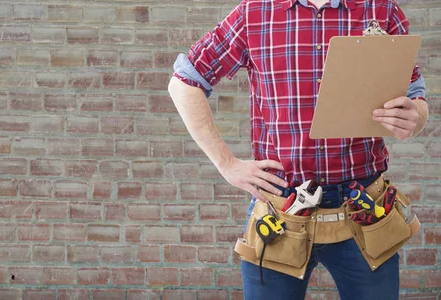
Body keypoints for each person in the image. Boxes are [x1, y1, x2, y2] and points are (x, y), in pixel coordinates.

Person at [167, 0, 429, 298]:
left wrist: (415, 117)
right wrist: (227, 164)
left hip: (365, 210)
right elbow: (184, 82)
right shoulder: (254, 11)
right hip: (281, 210)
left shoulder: (379, 9)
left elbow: (415, 96)